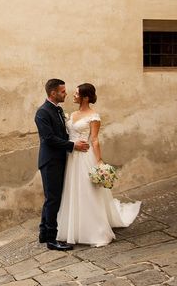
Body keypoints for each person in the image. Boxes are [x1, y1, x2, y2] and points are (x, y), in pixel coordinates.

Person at [57, 83, 141, 247]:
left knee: (88, 192)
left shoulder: (94, 116)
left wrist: (99, 160)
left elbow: (94, 140)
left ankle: (95, 230)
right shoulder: (73, 113)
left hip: (84, 156)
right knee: (72, 190)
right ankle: (73, 228)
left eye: (76, 93)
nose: (73, 96)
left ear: (85, 97)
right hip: (71, 157)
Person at [35, 79, 89, 251]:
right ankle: (52, 240)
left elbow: (62, 133)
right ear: (53, 93)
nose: (66, 93)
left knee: (51, 198)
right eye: (63, 91)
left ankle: (44, 233)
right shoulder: (43, 112)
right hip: (50, 161)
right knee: (53, 200)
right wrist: (73, 146)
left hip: (59, 159)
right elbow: (49, 138)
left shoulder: (57, 109)